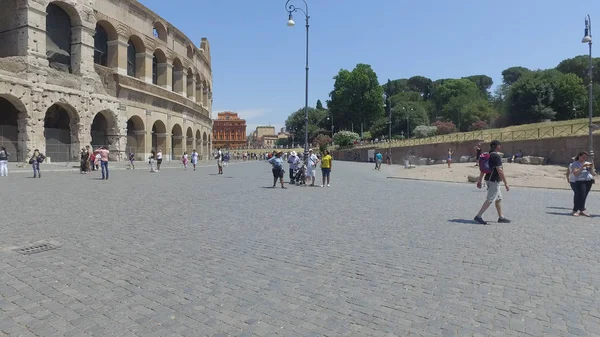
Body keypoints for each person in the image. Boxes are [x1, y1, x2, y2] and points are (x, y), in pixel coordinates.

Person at [474, 140, 511, 225]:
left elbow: (483, 169)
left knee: (498, 199)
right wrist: (506, 183)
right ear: (496, 146)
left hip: (489, 179)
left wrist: (480, 180)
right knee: (490, 199)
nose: (500, 147)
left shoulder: (488, 155)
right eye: (499, 145)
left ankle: (501, 217)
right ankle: (478, 216)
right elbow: (500, 170)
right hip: (494, 180)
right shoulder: (496, 156)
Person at [569, 151, 596, 217]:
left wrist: (591, 168)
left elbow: (593, 174)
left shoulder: (587, 163)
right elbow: (576, 173)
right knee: (580, 196)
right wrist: (582, 166)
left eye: (586, 157)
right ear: (579, 156)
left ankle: (582, 210)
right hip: (580, 181)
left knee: (584, 196)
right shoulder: (575, 164)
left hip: (588, 181)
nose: (585, 159)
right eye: (583, 157)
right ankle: (574, 211)